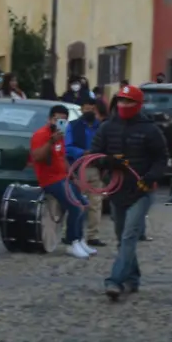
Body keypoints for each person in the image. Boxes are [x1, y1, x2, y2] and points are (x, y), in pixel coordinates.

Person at [90, 84, 168, 300]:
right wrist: (110, 161)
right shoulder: (107, 127)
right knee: (121, 238)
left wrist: (150, 178)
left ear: (138, 104)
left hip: (140, 192)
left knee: (129, 236)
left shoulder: (150, 130)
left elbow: (162, 158)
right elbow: (94, 155)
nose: (124, 105)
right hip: (116, 192)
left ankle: (114, 281)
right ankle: (132, 279)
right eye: (121, 100)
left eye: (129, 101)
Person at [30, 104, 93, 259]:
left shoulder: (61, 136)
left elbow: (62, 158)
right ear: (50, 119)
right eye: (57, 119)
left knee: (84, 204)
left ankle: (79, 239)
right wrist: (51, 142)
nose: (60, 123)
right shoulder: (41, 135)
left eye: (63, 120)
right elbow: (37, 157)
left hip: (63, 177)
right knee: (75, 207)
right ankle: (71, 243)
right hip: (50, 180)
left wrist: (73, 177)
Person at [66, 97, 105, 248]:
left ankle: (93, 236)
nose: (89, 111)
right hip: (78, 169)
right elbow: (67, 147)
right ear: (81, 109)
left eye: (92, 109)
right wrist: (83, 153)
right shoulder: (73, 126)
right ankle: (72, 234)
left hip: (96, 169)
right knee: (76, 202)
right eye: (86, 109)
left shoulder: (101, 127)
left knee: (95, 204)